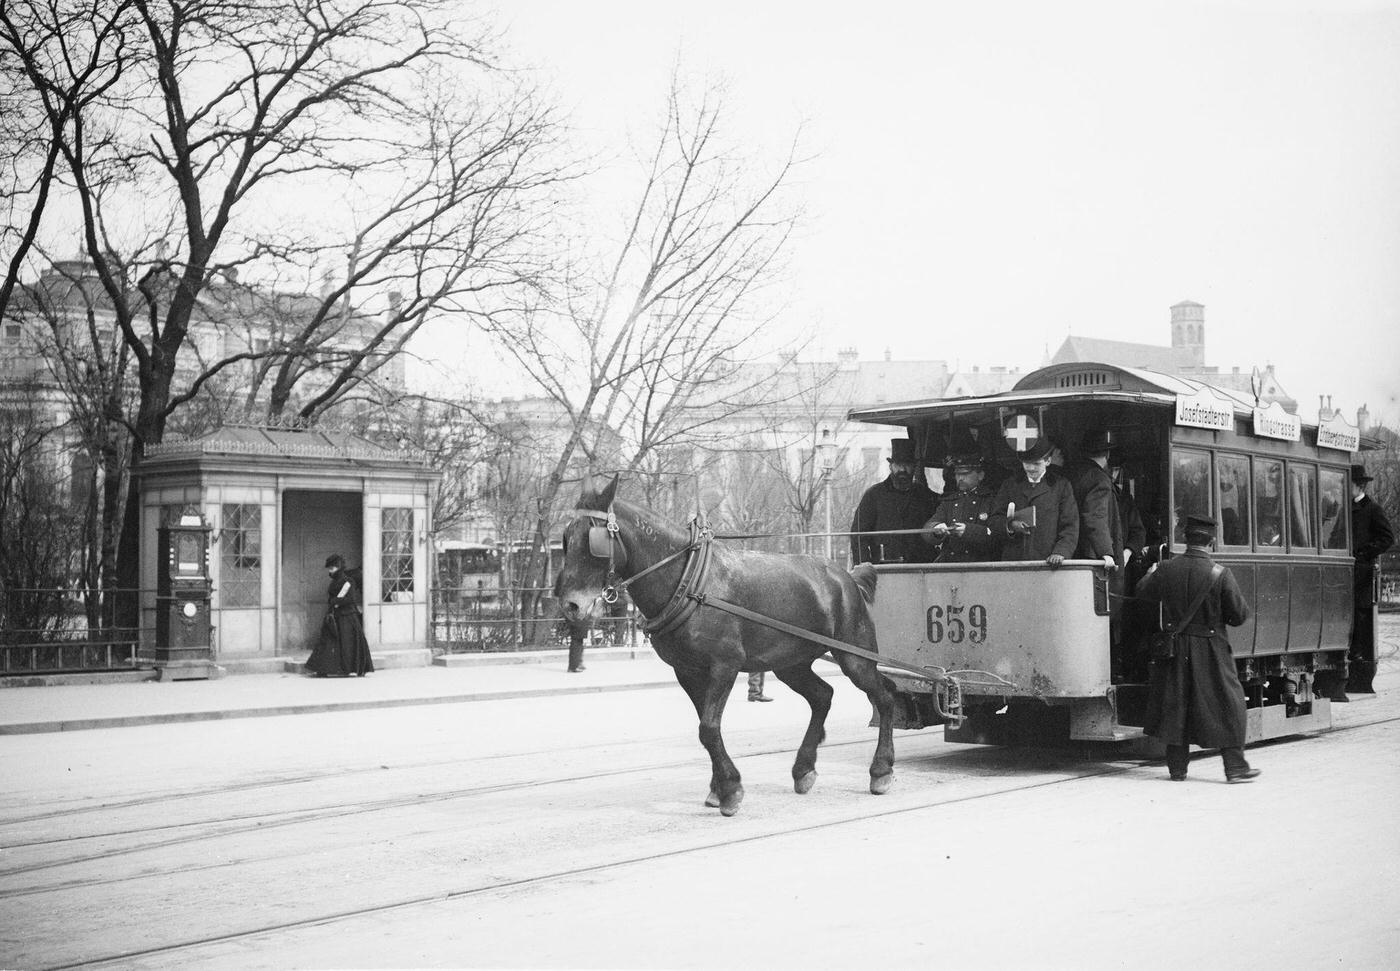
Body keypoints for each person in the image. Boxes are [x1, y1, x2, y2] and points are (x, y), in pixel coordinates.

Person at [1135, 515, 1259, 783]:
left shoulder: (1166, 569)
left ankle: (1177, 770)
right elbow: (1238, 616)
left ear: (1185, 538)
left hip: (1175, 647)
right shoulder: (1220, 573)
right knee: (1228, 703)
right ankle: (1235, 768)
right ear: (1211, 540)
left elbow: (1142, 593)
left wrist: (1150, 573)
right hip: (1211, 649)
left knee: (1176, 703)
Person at [1340, 463, 1394, 697]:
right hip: (1345, 570)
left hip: (1361, 572)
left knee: (1360, 617)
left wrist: (1364, 553)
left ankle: (1359, 668)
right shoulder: (1346, 508)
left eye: (1348, 484)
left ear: (1358, 485)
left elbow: (1387, 538)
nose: (1345, 488)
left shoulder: (1373, 509)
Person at [988, 439, 1079, 566]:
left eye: (1036, 463)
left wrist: (1061, 552)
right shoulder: (1010, 485)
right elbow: (994, 520)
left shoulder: (1061, 486)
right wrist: (1011, 526)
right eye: (1026, 463)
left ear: (1048, 461)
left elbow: (1070, 526)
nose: (1030, 468)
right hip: (1014, 562)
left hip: (1048, 562)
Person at [849, 438, 939, 565]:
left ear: (914, 467)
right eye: (898, 465)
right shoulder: (873, 495)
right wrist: (864, 567)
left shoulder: (925, 495)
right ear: (891, 466)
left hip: (920, 566)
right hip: (885, 566)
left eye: (907, 465)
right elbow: (858, 535)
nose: (902, 469)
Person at [305, 553, 375, 677]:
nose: (330, 571)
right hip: (335, 615)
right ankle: (324, 669)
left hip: (347, 617)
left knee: (348, 644)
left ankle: (349, 668)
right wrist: (332, 602)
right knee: (329, 642)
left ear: (339, 567)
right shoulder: (335, 582)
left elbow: (350, 599)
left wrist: (336, 601)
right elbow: (332, 597)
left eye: (332, 568)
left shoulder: (348, 581)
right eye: (329, 569)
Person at [921, 454, 997, 562]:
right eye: (957, 474)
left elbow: (998, 535)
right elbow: (927, 529)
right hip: (951, 564)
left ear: (980, 475)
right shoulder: (949, 502)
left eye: (966, 474)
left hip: (981, 564)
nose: (960, 478)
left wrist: (969, 531)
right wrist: (936, 529)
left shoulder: (991, 500)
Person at [1064, 430, 1122, 570]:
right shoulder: (1100, 479)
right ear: (1107, 454)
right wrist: (1106, 552)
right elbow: (1095, 516)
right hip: (1092, 556)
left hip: (1071, 551)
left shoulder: (1072, 474)